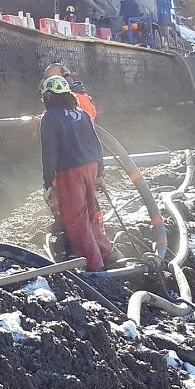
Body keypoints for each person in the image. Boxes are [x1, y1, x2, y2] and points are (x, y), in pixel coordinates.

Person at [39, 75, 114, 271]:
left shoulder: (50, 118)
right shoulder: (81, 114)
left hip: (70, 171)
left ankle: (94, 266)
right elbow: (96, 144)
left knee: (76, 219)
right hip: (91, 167)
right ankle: (106, 252)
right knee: (91, 210)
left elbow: (49, 154)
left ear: (48, 96)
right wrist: (101, 173)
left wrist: (48, 184)